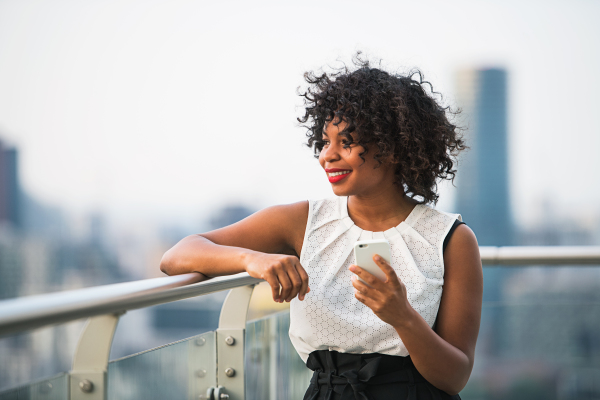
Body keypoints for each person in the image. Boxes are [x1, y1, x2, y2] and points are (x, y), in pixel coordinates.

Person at [160, 55, 483, 400]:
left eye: (346, 142)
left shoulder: (451, 239)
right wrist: (252, 260)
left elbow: (455, 376)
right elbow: (177, 256)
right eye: (325, 141)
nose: (327, 156)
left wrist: (403, 317)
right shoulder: (304, 221)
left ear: (392, 149)